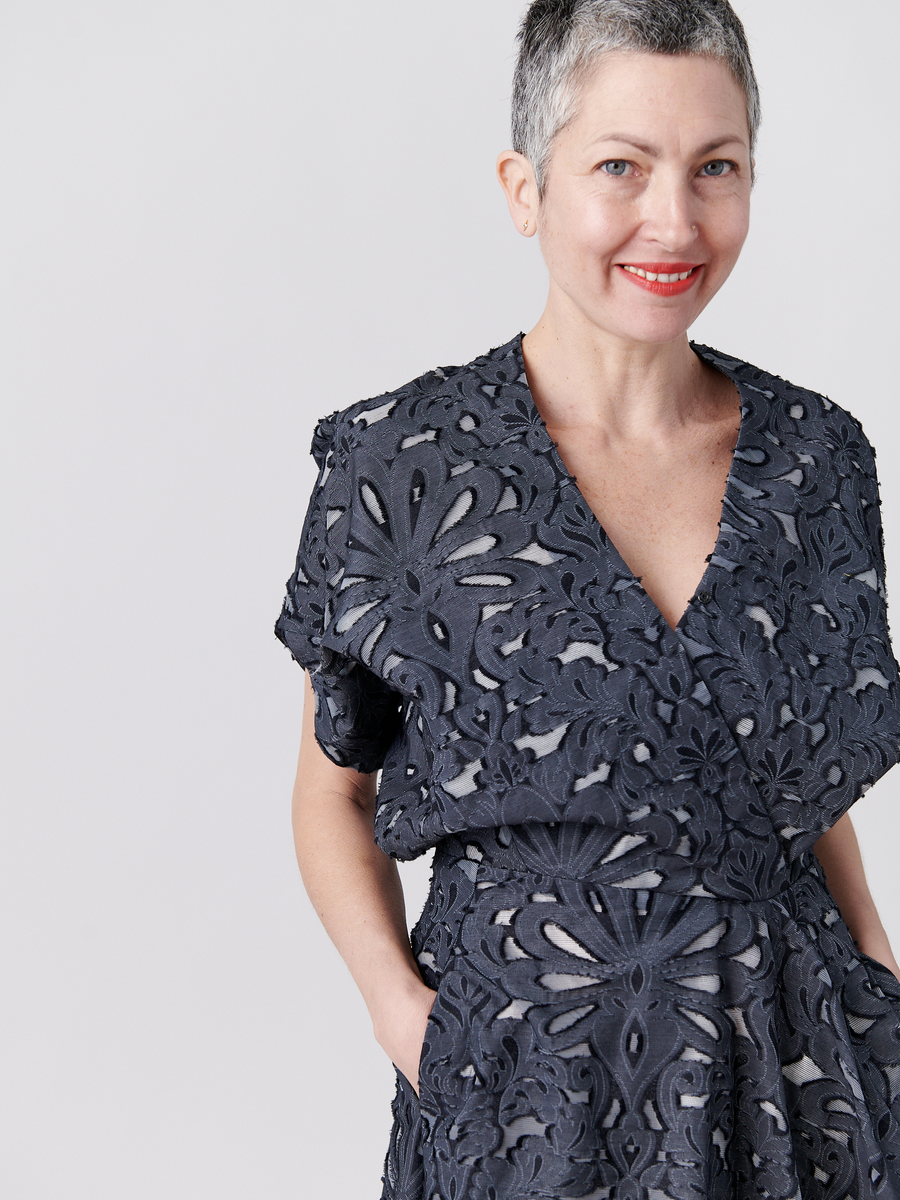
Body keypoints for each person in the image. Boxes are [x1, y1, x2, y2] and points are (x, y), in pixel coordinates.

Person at [275, 2, 900, 1197]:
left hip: (793, 1074)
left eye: (717, 168)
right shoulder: (405, 466)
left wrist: (874, 964)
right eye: (622, 165)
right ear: (527, 187)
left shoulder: (817, 461)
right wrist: (402, 1016)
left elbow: (793, 778)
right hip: (526, 1092)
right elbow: (328, 798)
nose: (674, 219)